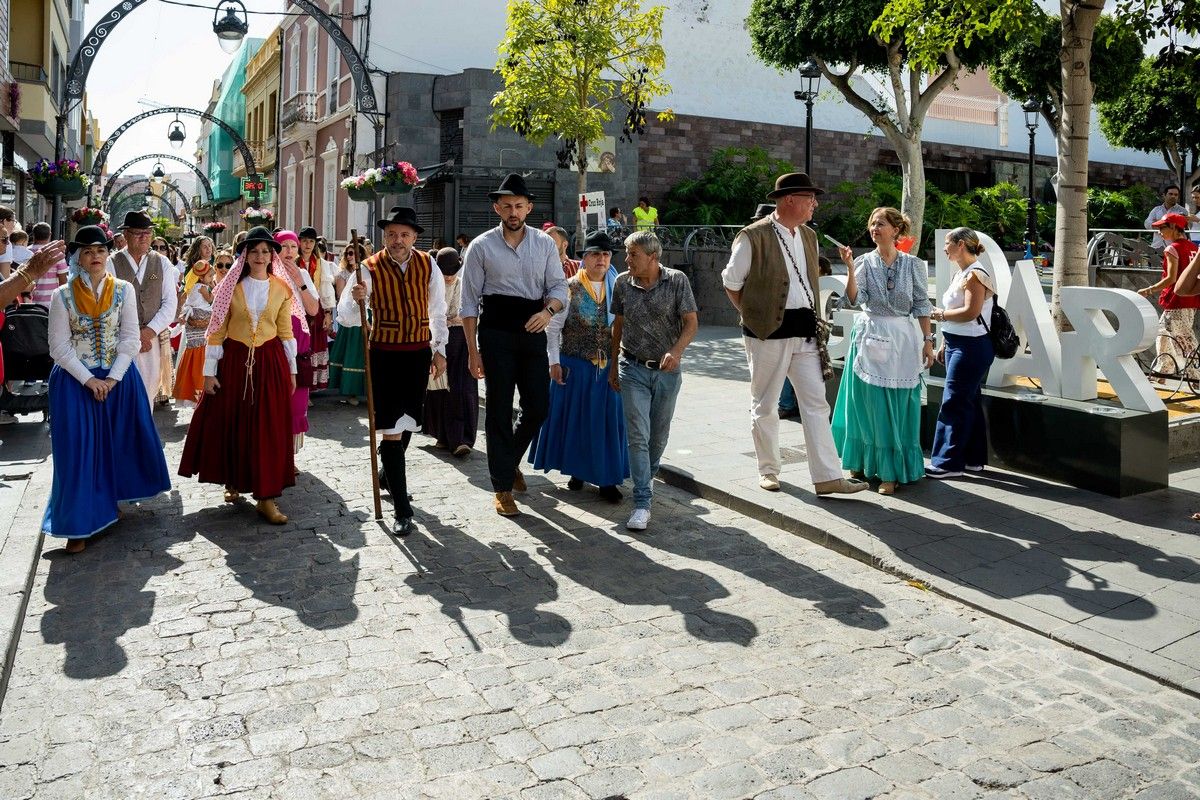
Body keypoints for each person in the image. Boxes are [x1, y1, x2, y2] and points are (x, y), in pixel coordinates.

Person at [721, 173, 868, 497]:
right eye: (809, 197)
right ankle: (769, 470)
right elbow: (731, 282)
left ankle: (827, 477)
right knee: (766, 403)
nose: (815, 203)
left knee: (816, 403)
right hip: (766, 333)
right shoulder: (753, 236)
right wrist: (753, 313)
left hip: (805, 332)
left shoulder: (809, 236)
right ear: (789, 200)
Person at [43, 227, 170, 553]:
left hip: (119, 377)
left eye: (100, 250)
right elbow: (58, 346)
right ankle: (78, 525)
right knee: (78, 451)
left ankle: (110, 501)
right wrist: (89, 380)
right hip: (75, 381)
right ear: (79, 259)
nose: (95, 256)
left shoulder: (124, 290)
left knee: (117, 442)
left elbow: (129, 338)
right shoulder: (63, 296)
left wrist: (112, 379)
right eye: (87, 252)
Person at [178, 226, 303, 525]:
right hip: (234, 360)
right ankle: (232, 479)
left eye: (265, 251)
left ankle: (266, 496)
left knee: (267, 425)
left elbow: (285, 331)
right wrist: (209, 373)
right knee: (233, 420)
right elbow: (217, 330)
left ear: (271, 255)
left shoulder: (282, 289)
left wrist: (293, 369)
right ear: (245, 255)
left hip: (270, 361)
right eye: (254, 251)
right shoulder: (230, 288)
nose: (260, 256)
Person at [461, 173, 568, 517]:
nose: (513, 211)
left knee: (538, 407)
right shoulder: (481, 246)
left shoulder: (545, 244)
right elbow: (467, 304)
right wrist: (472, 352)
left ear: (529, 208)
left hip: (533, 327)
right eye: (506, 205)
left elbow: (559, 288)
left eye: (519, 205)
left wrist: (548, 311)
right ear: (497, 208)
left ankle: (509, 461)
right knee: (499, 409)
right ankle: (501, 487)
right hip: (495, 331)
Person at [348, 206, 448, 535]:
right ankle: (403, 508)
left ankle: (385, 473)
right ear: (384, 237)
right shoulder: (368, 268)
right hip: (385, 354)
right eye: (391, 234)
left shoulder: (427, 264)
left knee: (408, 421)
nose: (397, 240)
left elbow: (437, 309)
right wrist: (356, 297)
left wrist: (439, 350)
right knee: (392, 427)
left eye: (404, 234)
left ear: (415, 237)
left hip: (418, 352)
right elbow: (347, 316)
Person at [831, 207, 934, 495]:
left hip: (901, 338)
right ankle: (863, 463)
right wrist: (850, 268)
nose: (875, 228)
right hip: (869, 334)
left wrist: (928, 341)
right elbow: (854, 299)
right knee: (866, 404)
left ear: (896, 230)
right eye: (872, 223)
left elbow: (922, 305)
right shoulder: (863, 262)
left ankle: (892, 471)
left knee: (895, 406)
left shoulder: (913, 265)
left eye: (881, 224)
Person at [531, 230, 628, 501]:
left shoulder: (618, 287)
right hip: (576, 364)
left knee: (606, 422)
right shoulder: (568, 288)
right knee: (578, 422)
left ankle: (607, 479)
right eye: (595, 254)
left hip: (607, 367)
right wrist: (553, 362)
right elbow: (552, 330)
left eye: (606, 254)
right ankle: (577, 471)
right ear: (584, 258)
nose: (601, 259)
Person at [609, 230, 696, 531]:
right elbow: (617, 326)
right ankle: (642, 501)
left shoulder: (677, 281)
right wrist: (612, 367)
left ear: (653, 257)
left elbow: (691, 322)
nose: (626, 259)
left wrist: (676, 351)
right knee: (638, 435)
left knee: (658, 436)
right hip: (631, 368)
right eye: (626, 253)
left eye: (633, 254)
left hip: (667, 372)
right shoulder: (622, 283)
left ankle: (647, 477)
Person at [927, 227, 998, 478]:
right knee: (968, 401)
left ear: (960, 245)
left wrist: (939, 315)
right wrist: (946, 343)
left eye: (948, 243)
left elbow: (971, 312)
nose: (944, 248)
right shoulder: (964, 273)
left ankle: (947, 463)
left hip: (971, 347)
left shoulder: (975, 275)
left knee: (954, 401)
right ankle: (972, 460)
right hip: (962, 344)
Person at [106, 211, 179, 410]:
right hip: (121, 339)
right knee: (122, 391)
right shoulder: (111, 262)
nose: (144, 237)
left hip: (152, 340)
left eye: (147, 233)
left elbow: (169, 304)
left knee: (149, 389)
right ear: (126, 235)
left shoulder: (162, 262)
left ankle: (142, 435)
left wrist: (148, 332)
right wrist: (134, 335)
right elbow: (110, 305)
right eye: (138, 233)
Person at [422, 247, 479, 457]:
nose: (448, 277)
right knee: (439, 389)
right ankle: (443, 435)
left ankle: (461, 438)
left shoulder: (463, 285)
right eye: (444, 272)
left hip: (461, 341)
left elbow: (466, 315)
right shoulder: (430, 284)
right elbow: (432, 314)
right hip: (437, 341)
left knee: (462, 390)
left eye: (451, 272)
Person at [1138, 212, 1200, 381]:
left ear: (1173, 227)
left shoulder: (1172, 248)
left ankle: (1196, 376)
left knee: (1185, 339)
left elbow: (1170, 278)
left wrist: (1148, 290)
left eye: (1162, 228)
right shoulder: (1194, 248)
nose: (1159, 232)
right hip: (1191, 299)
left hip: (1176, 299)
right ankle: (1162, 370)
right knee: (1163, 332)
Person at [275, 230, 320, 453]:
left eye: (293, 246)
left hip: (299, 344)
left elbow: (313, 308)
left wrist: (300, 283)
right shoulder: (267, 273)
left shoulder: (303, 273)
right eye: (284, 246)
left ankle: (289, 456)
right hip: (274, 344)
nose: (289, 251)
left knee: (296, 402)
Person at [328, 240, 371, 403]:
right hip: (351, 317)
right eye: (349, 253)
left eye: (354, 253)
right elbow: (342, 296)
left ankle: (366, 390)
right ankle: (350, 392)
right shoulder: (343, 274)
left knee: (365, 356)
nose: (351, 256)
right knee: (352, 355)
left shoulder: (367, 272)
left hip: (366, 313)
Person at [172, 259, 215, 407]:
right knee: (200, 357)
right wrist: (212, 292)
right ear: (202, 277)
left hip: (194, 325)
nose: (212, 279)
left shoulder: (192, 288)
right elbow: (210, 300)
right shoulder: (202, 288)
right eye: (210, 276)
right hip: (200, 322)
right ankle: (199, 394)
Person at [297, 226, 335, 391]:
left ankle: (311, 387)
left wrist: (328, 313)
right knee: (301, 346)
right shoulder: (293, 261)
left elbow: (326, 291)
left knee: (315, 346)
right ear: (299, 242)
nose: (307, 244)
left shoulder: (322, 264)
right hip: (297, 309)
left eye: (311, 241)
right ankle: (300, 384)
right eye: (304, 241)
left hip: (316, 309)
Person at [28, 222, 68, 307]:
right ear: (50, 234)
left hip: (28, 302)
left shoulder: (27, 252)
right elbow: (63, 281)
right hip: (51, 303)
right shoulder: (57, 253)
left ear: (33, 235)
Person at [1146, 184, 1188, 250]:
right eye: (1170, 194)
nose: (1173, 196)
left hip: (1175, 248)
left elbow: (1185, 227)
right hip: (1157, 246)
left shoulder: (1183, 211)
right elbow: (1147, 224)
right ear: (1164, 195)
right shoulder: (1156, 210)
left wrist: (1158, 224)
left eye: (1176, 195)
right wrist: (1162, 227)